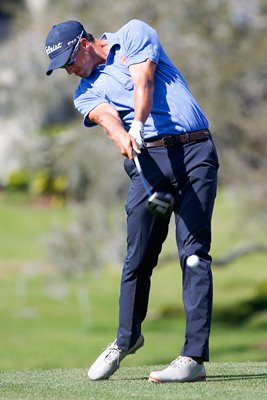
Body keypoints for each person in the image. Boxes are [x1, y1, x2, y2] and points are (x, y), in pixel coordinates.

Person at [45, 19, 219, 383]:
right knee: (138, 257)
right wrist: (121, 134)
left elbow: (145, 79)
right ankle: (126, 339)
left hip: (194, 154)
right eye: (62, 67)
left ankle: (193, 358)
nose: (68, 70)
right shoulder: (83, 93)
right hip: (150, 169)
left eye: (69, 60)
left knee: (193, 254)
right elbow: (106, 117)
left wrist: (138, 122)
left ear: (84, 44)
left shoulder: (133, 34)